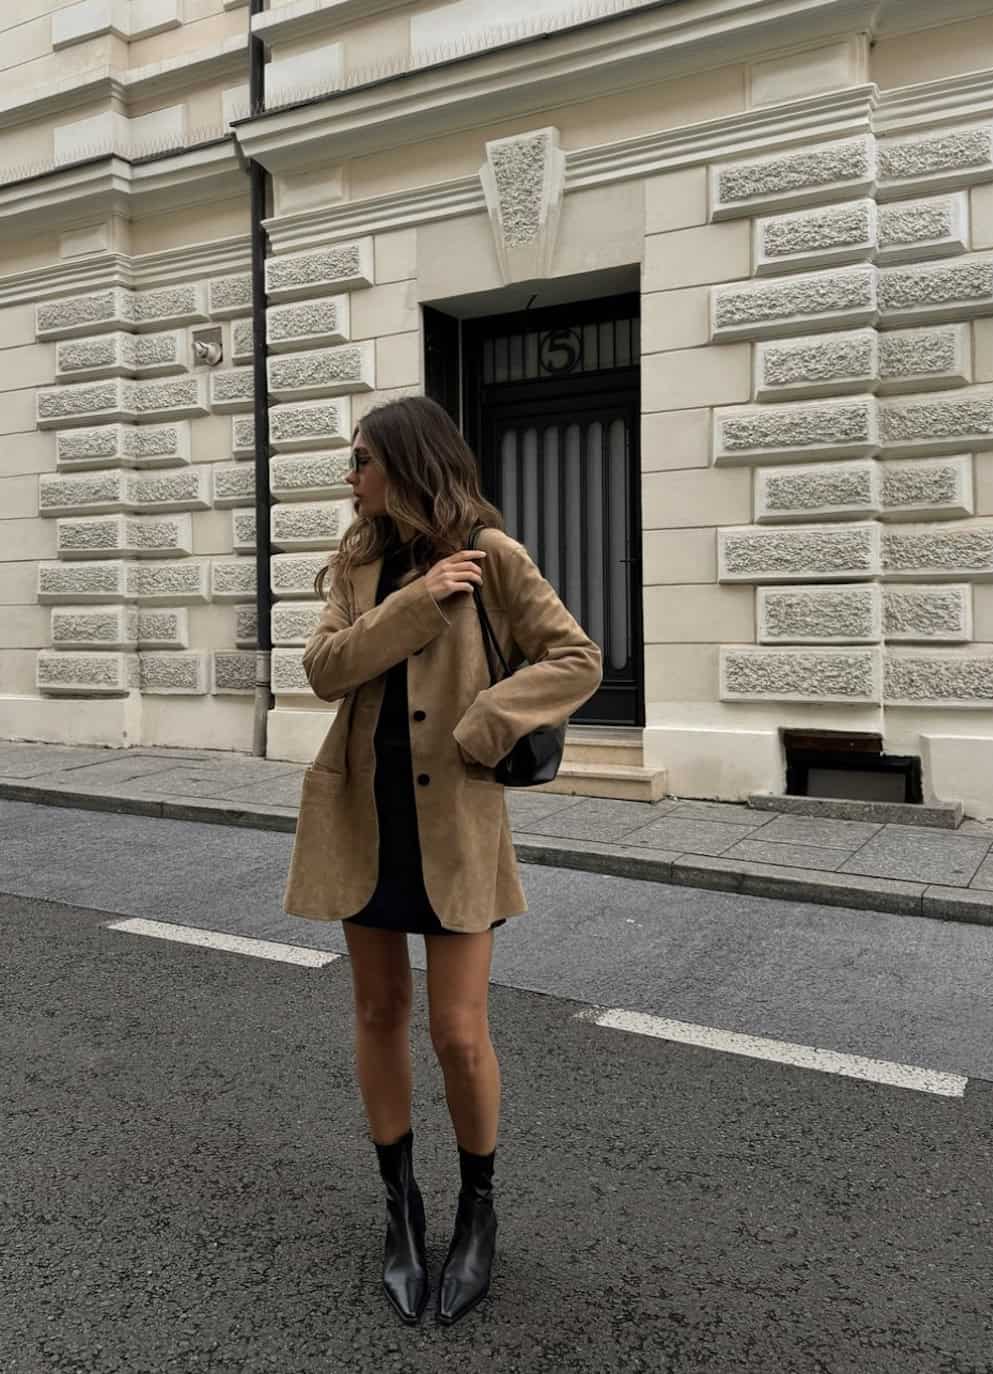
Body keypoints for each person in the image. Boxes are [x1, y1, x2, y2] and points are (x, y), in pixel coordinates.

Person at [283, 395, 603, 1326]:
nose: (351, 478)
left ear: (405, 463)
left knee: (460, 1033)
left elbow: (575, 658)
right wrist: (416, 604)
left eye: (361, 460)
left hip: (455, 824)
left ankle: (477, 1211)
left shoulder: (493, 556)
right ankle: (401, 1210)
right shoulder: (357, 563)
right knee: (380, 1011)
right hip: (361, 814)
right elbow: (324, 668)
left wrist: (484, 722)